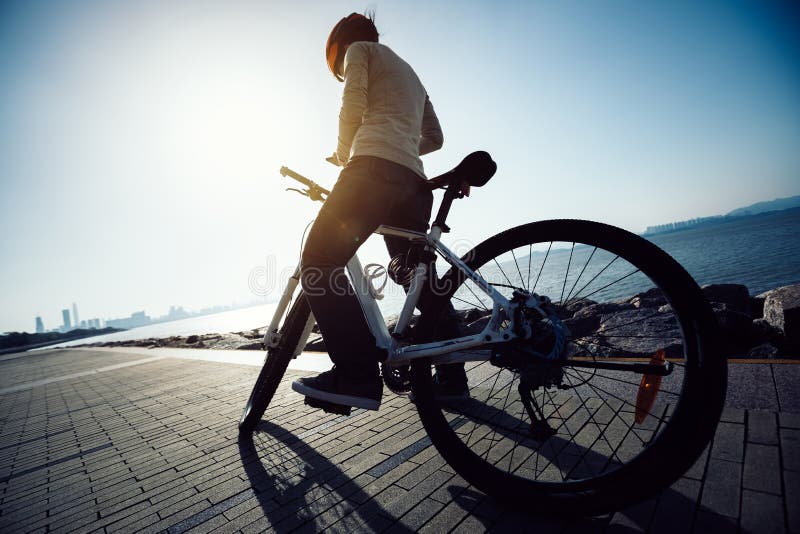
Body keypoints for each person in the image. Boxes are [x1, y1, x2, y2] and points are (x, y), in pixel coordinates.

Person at [291, 12, 469, 411]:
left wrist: (344, 153)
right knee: (418, 283)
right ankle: (452, 379)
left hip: (371, 170)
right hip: (415, 185)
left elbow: (352, 103)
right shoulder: (410, 73)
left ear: (340, 47)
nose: (340, 69)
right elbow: (435, 139)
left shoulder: (360, 51)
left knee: (318, 261)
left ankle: (355, 374)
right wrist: (402, 149)